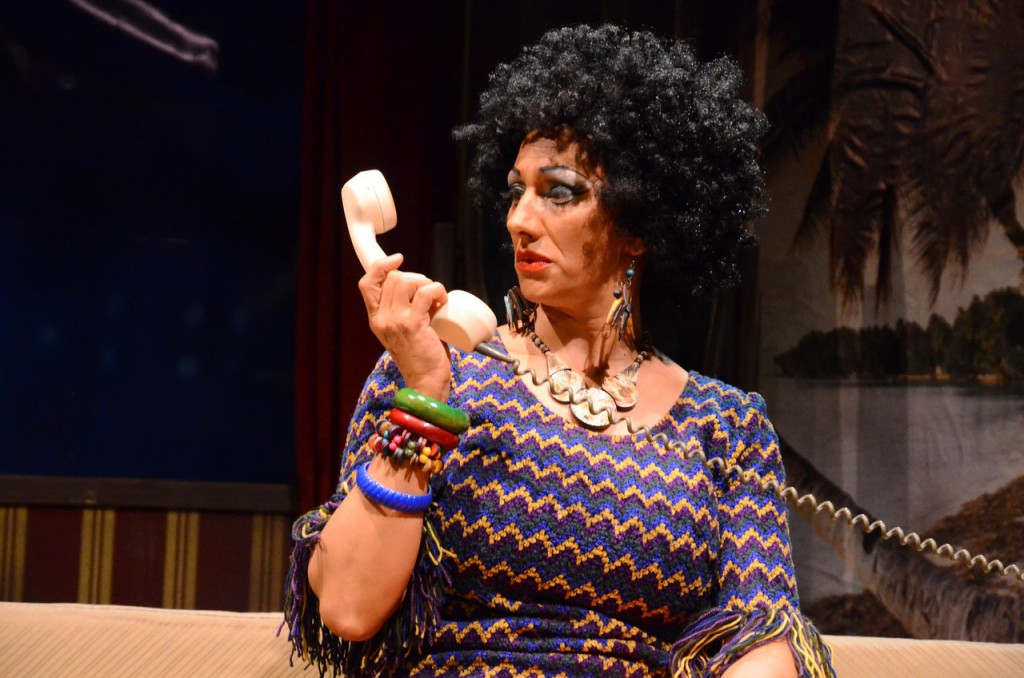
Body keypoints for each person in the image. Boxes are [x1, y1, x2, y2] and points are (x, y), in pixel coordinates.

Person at [285, 24, 836, 678]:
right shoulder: (432, 370)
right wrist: (427, 396)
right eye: (517, 190)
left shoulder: (726, 426)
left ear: (638, 225)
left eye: (559, 192)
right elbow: (347, 609)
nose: (519, 219)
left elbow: (765, 640)